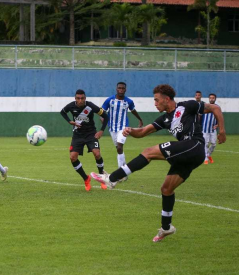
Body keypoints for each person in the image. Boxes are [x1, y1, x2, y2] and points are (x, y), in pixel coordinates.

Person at [91, 84, 226, 242]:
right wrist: (130, 130)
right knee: (166, 189)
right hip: (186, 156)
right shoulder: (165, 118)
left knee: (148, 152)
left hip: (194, 146)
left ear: (167, 99)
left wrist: (221, 131)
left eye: (156, 100)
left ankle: (113, 178)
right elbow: (143, 132)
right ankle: (166, 228)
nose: (155, 103)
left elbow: (215, 108)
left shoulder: (187, 105)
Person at [60, 89, 109, 191]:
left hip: (91, 134)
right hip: (78, 135)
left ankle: (102, 178)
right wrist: (70, 121)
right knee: (73, 157)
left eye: (82, 98)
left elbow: (105, 116)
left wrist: (101, 131)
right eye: (78, 98)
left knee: (97, 154)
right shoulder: (71, 106)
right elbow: (62, 112)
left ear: (85, 98)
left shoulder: (91, 106)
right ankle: (86, 178)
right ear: (75, 99)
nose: (80, 100)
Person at [101, 82, 144, 168]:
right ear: (116, 89)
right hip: (112, 128)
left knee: (120, 147)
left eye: (122, 88)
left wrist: (140, 119)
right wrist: (102, 118)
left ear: (125, 90)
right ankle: (124, 168)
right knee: (118, 148)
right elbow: (102, 112)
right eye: (119, 88)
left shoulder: (129, 101)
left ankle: (120, 172)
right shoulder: (109, 100)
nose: (121, 90)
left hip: (124, 127)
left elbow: (133, 110)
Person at [202, 93, 219, 164]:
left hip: (212, 130)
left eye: (213, 98)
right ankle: (206, 159)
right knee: (205, 144)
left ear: (215, 99)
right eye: (210, 98)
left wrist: (217, 124)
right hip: (205, 129)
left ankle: (208, 155)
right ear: (209, 99)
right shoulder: (205, 106)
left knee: (214, 144)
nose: (211, 99)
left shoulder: (217, 107)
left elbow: (219, 117)